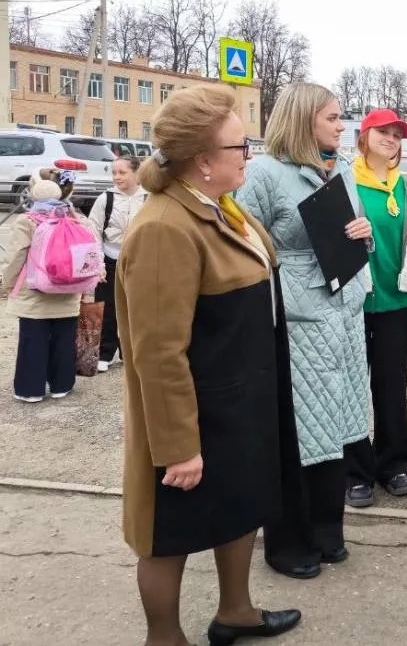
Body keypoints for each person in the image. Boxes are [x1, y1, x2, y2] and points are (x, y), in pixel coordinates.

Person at [117, 84, 301, 646]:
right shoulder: (163, 229)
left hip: (237, 404)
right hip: (193, 413)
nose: (250, 153)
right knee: (167, 533)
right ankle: (164, 637)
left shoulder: (220, 206)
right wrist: (178, 446)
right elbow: (156, 350)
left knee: (242, 505)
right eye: (240, 144)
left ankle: (236, 613)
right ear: (202, 161)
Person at [236, 83, 372, 579]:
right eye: (332, 117)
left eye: (341, 118)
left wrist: (365, 234)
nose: (342, 125)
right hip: (296, 317)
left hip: (342, 311)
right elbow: (239, 239)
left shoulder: (341, 170)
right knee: (297, 432)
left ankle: (327, 531)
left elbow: (355, 230)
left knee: (333, 425)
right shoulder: (264, 174)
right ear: (303, 119)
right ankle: (288, 542)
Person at [343, 110, 407, 509]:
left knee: (391, 388)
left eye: (397, 135)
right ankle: (356, 473)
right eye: (383, 132)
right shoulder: (343, 183)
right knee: (350, 390)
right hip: (353, 304)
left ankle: (393, 465)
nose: (391, 139)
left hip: (397, 304)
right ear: (364, 137)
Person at [3, 170, 99, 403]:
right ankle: (61, 385)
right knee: (64, 339)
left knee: (32, 340)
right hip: (69, 289)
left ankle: (30, 390)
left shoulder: (27, 220)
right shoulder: (75, 218)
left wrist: (7, 283)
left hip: (35, 290)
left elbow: (17, 255)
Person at [88, 155, 148, 372]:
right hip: (110, 258)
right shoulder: (106, 199)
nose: (117, 177)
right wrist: (98, 264)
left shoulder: (148, 198)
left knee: (136, 307)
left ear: (136, 173)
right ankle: (104, 352)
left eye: (122, 172)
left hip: (139, 261)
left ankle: (129, 351)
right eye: (114, 173)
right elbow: (93, 231)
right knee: (106, 307)